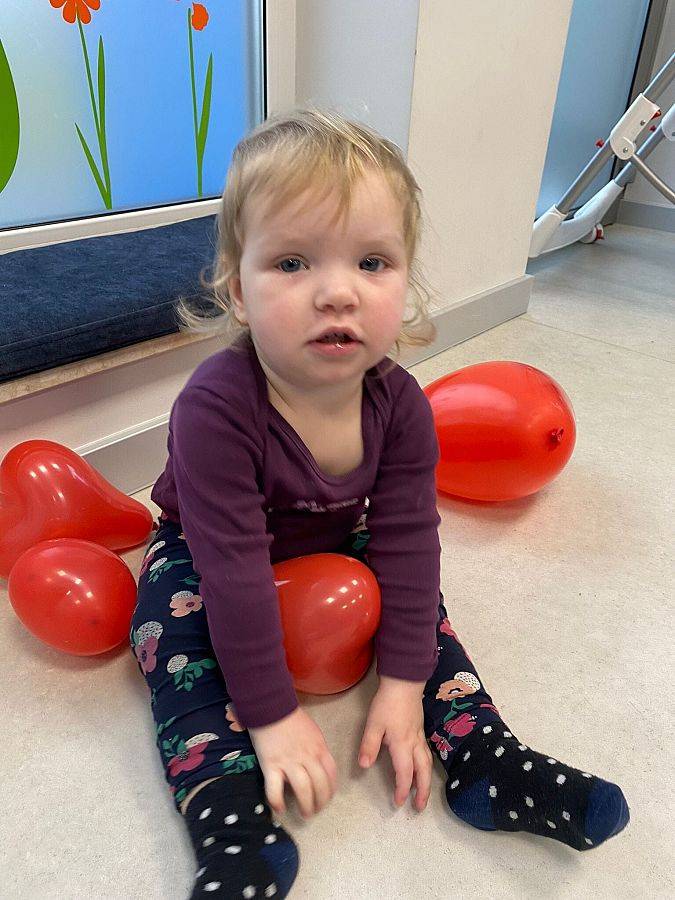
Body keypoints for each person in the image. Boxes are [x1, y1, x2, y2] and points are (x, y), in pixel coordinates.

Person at [129, 107, 629, 899]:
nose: (337, 292)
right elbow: (233, 572)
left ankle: (484, 758)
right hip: (207, 550)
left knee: (422, 609)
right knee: (173, 641)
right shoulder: (213, 408)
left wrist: (400, 680)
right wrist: (271, 715)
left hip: (338, 534)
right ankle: (228, 823)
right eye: (292, 263)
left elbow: (408, 542)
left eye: (371, 262)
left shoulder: (400, 408)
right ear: (237, 289)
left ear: (405, 280)